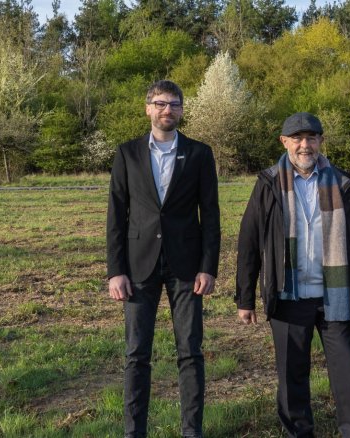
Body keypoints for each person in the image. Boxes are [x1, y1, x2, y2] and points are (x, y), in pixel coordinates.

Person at [235, 112, 350, 438]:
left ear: (320, 141)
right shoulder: (268, 184)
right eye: (298, 138)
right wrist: (245, 298)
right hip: (289, 296)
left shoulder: (344, 184)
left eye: (312, 137)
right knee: (292, 378)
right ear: (284, 142)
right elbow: (248, 244)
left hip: (336, 297)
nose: (305, 145)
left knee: (348, 377)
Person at [106, 80, 220, 438]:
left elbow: (211, 216)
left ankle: (192, 431)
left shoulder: (200, 154)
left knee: (190, 352)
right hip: (138, 267)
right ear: (148, 108)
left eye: (173, 104)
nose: (166, 110)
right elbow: (116, 215)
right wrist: (116, 271)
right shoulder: (127, 154)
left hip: (187, 268)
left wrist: (208, 266)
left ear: (182, 110)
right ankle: (133, 432)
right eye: (159, 103)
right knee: (137, 354)